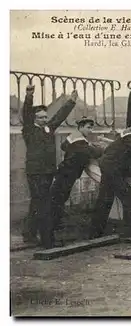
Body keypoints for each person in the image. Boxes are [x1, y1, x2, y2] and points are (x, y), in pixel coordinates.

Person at [21, 85, 78, 247]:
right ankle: (47, 240)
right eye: (41, 118)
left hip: (47, 172)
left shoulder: (48, 128)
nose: (44, 120)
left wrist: (71, 102)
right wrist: (29, 97)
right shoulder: (29, 130)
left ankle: (29, 233)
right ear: (34, 119)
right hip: (35, 173)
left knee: (37, 202)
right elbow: (26, 114)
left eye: (45, 117)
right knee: (43, 203)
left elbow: (59, 117)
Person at [47, 117, 105, 248]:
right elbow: (94, 153)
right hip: (68, 174)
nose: (91, 130)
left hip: (64, 172)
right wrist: (100, 148)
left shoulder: (73, 137)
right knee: (57, 201)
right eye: (88, 127)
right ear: (81, 127)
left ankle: (53, 228)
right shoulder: (80, 142)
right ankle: (49, 233)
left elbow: (63, 146)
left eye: (92, 127)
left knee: (58, 199)